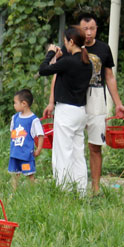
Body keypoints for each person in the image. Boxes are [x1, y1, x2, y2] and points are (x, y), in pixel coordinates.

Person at [44, 13, 124, 194]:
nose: (88, 33)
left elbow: (109, 77)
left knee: (94, 145)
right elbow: (57, 75)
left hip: (96, 97)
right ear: (79, 31)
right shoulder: (69, 47)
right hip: (73, 100)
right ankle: (72, 186)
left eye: (92, 28)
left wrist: (118, 103)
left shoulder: (104, 49)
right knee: (73, 144)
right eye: (85, 29)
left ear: (97, 29)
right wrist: (51, 101)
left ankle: (94, 187)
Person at [39, 25, 93, 191]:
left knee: (62, 152)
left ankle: (64, 190)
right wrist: (61, 57)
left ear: (71, 41)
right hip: (80, 111)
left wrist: (51, 53)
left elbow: (43, 70)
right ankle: (81, 190)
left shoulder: (68, 62)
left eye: (65, 41)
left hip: (66, 111)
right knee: (77, 153)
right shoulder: (87, 62)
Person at [8, 88, 44, 184]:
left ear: (24, 103)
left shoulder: (33, 120)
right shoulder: (14, 118)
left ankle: (31, 193)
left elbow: (40, 135)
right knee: (15, 174)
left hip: (26, 155)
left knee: (29, 174)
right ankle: (13, 194)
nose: (14, 105)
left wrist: (39, 149)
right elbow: (12, 133)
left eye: (15, 103)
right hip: (15, 154)